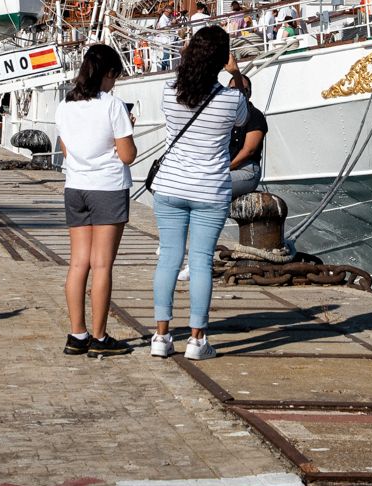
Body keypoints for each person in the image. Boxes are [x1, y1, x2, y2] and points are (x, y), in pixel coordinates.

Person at [148, 25, 249, 361]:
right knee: (201, 262)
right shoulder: (231, 99)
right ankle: (197, 339)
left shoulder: (168, 92)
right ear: (222, 59)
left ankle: (161, 337)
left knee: (169, 259)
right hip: (210, 189)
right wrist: (234, 73)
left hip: (170, 186)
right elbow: (242, 119)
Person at [55, 44, 137, 357]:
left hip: (76, 187)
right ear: (107, 73)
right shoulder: (112, 105)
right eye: (115, 76)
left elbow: (65, 149)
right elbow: (127, 156)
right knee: (102, 265)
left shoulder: (65, 104)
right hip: (108, 188)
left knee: (78, 263)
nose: (115, 82)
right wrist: (130, 130)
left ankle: (77, 334)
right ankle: (100, 337)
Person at [226, 73, 268, 198]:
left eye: (243, 89)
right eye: (233, 89)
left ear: (249, 93)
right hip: (225, 168)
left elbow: (248, 150)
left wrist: (225, 169)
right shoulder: (226, 116)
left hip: (246, 170)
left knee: (212, 185)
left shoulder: (255, 116)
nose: (238, 92)